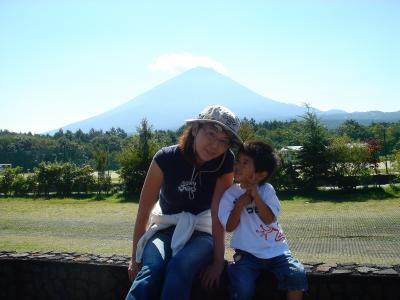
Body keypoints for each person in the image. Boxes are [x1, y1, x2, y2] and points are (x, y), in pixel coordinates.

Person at [125, 105, 242, 300]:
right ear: (195, 129)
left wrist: (218, 263)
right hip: (164, 227)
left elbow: (216, 213)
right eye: (211, 134)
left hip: (202, 231)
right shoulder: (165, 158)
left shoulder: (225, 162)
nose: (215, 145)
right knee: (151, 268)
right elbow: (144, 210)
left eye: (223, 141)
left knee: (180, 266)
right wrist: (134, 258)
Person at [218, 140, 307, 300]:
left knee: (297, 275)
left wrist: (255, 195)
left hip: (277, 251)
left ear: (260, 174)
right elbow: (229, 227)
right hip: (247, 255)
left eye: (245, 163)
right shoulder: (230, 195)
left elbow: (269, 219)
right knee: (242, 288)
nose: (238, 165)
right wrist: (239, 204)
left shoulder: (267, 190)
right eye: (238, 160)